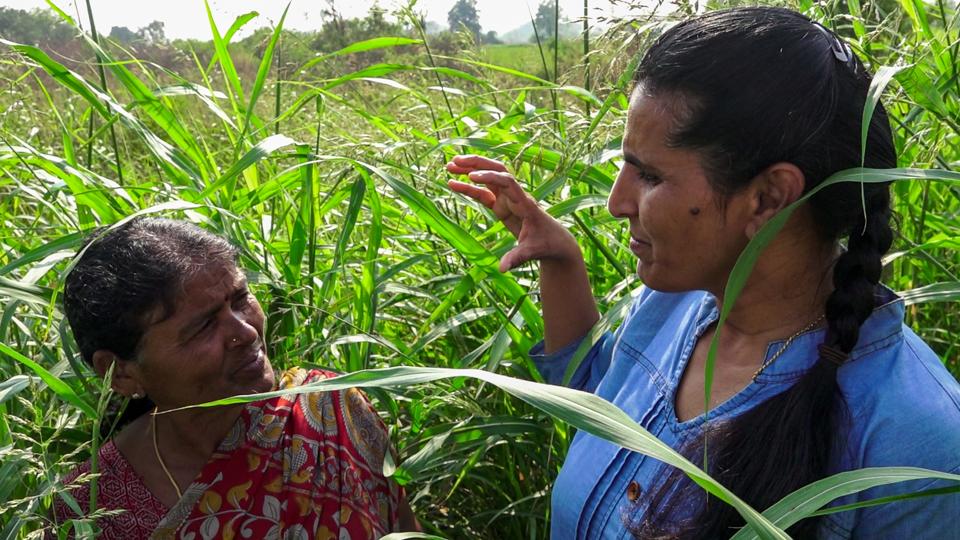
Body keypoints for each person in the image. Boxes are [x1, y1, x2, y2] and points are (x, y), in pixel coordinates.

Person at [447, 7, 960, 539]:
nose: (617, 202)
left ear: (767, 197)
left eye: (648, 175)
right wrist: (561, 261)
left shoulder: (914, 444)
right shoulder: (675, 304)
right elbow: (594, 402)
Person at [53, 218, 416, 539]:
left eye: (240, 298)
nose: (245, 332)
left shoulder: (330, 409)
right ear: (120, 372)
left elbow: (406, 531)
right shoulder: (92, 511)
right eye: (203, 326)